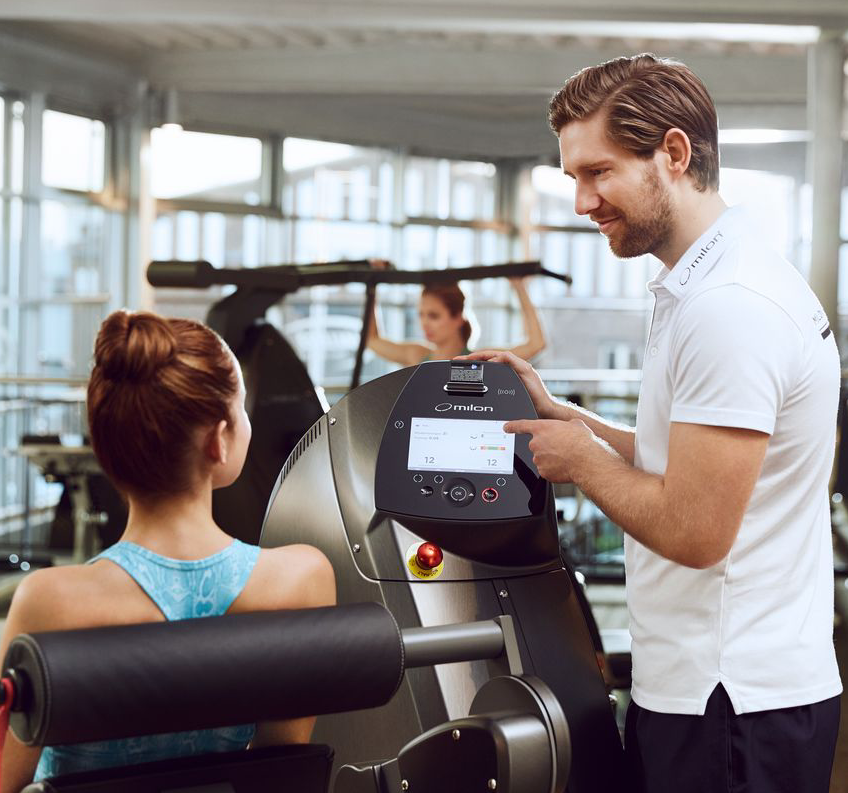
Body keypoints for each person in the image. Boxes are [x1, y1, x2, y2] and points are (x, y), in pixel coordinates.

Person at [463, 53, 841, 793]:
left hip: (730, 699)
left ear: (673, 153)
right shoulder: (703, 283)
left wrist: (579, 460)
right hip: (714, 689)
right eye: (573, 176)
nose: (580, 200)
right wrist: (563, 417)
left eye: (597, 172)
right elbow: (685, 461)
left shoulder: (729, 306)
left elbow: (697, 527)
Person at [0, 310, 336, 790]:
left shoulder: (49, 602)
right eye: (241, 409)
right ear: (219, 440)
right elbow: (277, 768)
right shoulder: (300, 580)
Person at [366, 269, 545, 366]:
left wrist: (519, 288)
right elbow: (372, 340)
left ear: (458, 318)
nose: (424, 323)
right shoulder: (416, 355)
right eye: (421, 314)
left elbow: (535, 344)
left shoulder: (481, 359)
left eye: (434, 316)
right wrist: (372, 287)